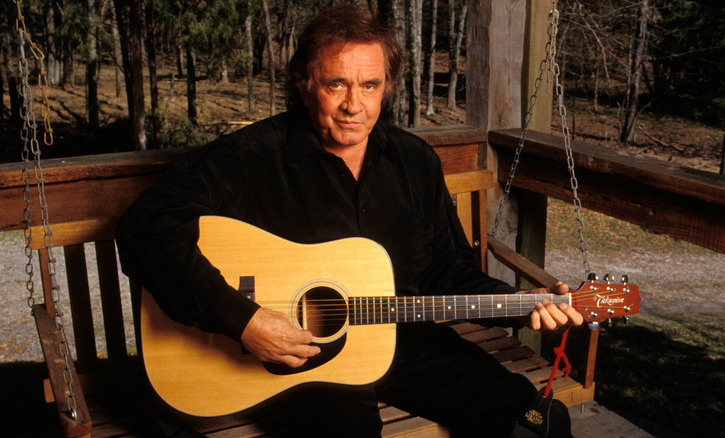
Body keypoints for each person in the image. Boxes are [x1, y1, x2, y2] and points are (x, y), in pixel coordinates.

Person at [115, 5, 583, 437]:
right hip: (297, 364)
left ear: (388, 86)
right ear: (304, 82)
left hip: (403, 339)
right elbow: (146, 225)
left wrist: (519, 302)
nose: (353, 105)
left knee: (534, 422)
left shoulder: (414, 161)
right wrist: (245, 320)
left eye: (370, 86)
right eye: (336, 84)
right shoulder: (252, 157)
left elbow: (447, 269)